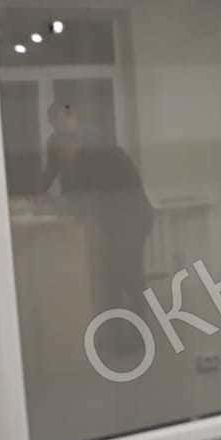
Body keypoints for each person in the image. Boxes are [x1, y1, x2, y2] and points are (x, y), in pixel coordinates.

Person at [40, 101, 156, 312]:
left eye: (66, 145)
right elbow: (61, 180)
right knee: (112, 274)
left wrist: (70, 205)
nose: (63, 153)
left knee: (129, 274)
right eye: (55, 127)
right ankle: (119, 321)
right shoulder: (61, 145)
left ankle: (142, 322)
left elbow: (95, 193)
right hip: (115, 217)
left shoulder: (98, 149)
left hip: (131, 218)